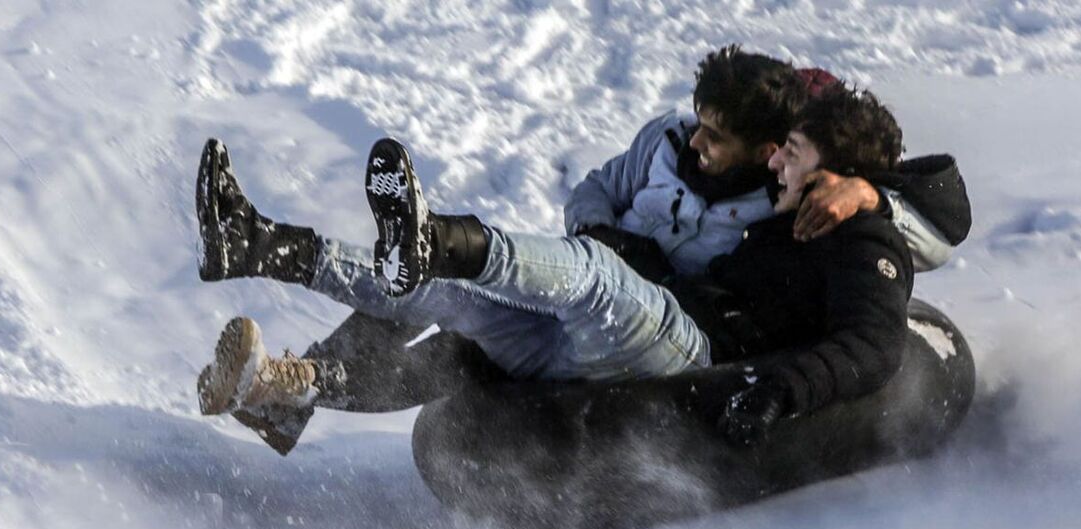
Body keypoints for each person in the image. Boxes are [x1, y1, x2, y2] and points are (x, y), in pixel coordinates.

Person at [193, 46, 970, 452]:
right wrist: (603, 230)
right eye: (700, 124)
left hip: (664, 333)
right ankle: (260, 250)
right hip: (595, 299)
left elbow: (925, 212)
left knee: (535, 297)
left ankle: (423, 249)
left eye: (730, 140)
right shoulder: (670, 146)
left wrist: (868, 192)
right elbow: (596, 192)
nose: (702, 142)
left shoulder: (796, 207)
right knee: (454, 299)